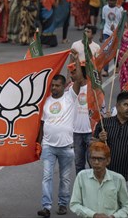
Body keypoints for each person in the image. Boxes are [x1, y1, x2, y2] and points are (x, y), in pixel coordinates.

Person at [36, 49, 84, 217]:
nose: (54, 88)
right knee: (47, 177)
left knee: (64, 179)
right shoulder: (46, 101)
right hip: (49, 146)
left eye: (57, 86)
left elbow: (78, 79)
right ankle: (46, 207)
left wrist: (76, 60)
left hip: (66, 147)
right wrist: (39, 142)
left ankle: (63, 204)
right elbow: (42, 123)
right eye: (53, 86)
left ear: (64, 86)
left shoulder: (70, 97)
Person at [94, 91, 128, 218]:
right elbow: (92, 147)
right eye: (126, 105)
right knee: (107, 211)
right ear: (117, 106)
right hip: (107, 177)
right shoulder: (104, 124)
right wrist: (100, 140)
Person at [70, 142, 128, 217]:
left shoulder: (118, 179)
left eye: (100, 159)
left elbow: (127, 207)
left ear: (108, 161)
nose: (96, 162)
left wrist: (113, 217)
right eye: (93, 158)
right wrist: (93, 215)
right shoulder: (82, 177)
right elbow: (74, 204)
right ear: (89, 160)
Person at [66, 61, 92, 174]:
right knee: (79, 164)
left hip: (92, 132)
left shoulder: (93, 89)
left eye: (75, 72)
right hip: (76, 133)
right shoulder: (72, 89)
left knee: (93, 163)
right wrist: (75, 58)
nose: (72, 75)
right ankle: (81, 190)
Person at [99, 0, 123, 77]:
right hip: (107, 32)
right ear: (107, 0)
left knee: (115, 51)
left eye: (113, 0)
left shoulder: (120, 9)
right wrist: (101, 34)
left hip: (117, 33)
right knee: (106, 50)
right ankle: (105, 70)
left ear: (116, 1)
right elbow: (103, 21)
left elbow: (122, 22)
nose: (111, 2)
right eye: (109, 0)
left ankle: (116, 67)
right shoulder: (105, 8)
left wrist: (117, 29)